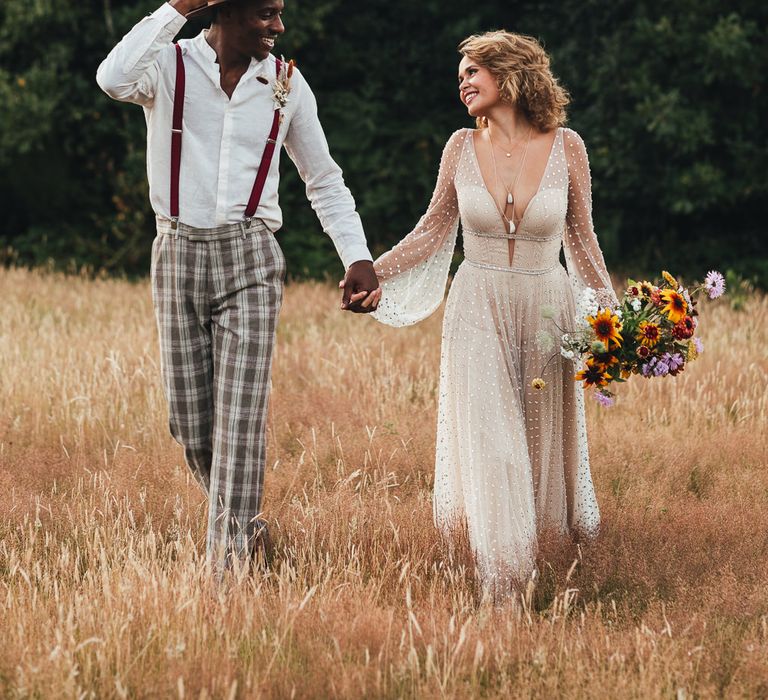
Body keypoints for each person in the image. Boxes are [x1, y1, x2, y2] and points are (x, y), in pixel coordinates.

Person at [96, 0, 379, 571]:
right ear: (222, 13)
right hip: (176, 251)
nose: (278, 26)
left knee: (241, 420)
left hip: (251, 258)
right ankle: (246, 527)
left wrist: (357, 255)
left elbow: (322, 177)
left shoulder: (288, 86)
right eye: (266, 14)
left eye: (279, 14)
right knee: (189, 420)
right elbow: (111, 78)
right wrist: (177, 6)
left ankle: (228, 575)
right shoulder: (167, 67)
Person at [366, 31, 617, 598]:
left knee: (536, 440)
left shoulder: (567, 146)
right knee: (492, 437)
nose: (462, 82)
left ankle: (546, 562)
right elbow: (432, 230)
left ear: (510, 75)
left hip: (548, 311)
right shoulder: (459, 147)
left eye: (473, 71)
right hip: (476, 305)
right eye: (462, 73)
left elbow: (582, 241)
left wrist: (617, 319)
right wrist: (373, 272)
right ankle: (502, 581)